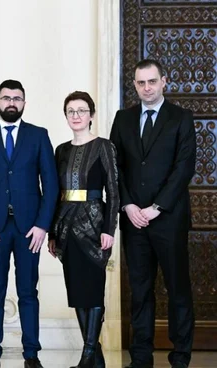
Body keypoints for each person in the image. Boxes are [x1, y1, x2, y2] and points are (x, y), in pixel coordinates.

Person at [110, 59, 196, 368]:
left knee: (177, 289)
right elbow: (115, 167)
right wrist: (129, 205)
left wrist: (156, 207)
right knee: (141, 290)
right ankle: (141, 357)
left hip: (169, 219)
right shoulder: (123, 119)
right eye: (140, 82)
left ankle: (181, 356)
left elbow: (184, 167)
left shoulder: (181, 118)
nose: (146, 87)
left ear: (163, 82)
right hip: (134, 220)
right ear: (134, 85)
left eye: (152, 81)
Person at [0, 80, 58, 368]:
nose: (11, 103)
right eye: (6, 98)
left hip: (29, 229)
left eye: (17, 98)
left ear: (24, 103)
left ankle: (31, 354)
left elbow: (52, 185)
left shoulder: (39, 136)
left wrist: (43, 225)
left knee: (28, 292)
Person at [48, 91, 119, 368]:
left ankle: (88, 354)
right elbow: (54, 193)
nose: (76, 116)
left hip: (94, 225)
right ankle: (94, 356)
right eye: (71, 111)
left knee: (93, 290)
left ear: (91, 114)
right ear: (66, 116)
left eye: (81, 110)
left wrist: (109, 228)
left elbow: (113, 192)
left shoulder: (104, 146)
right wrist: (53, 232)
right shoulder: (61, 150)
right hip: (65, 226)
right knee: (77, 291)